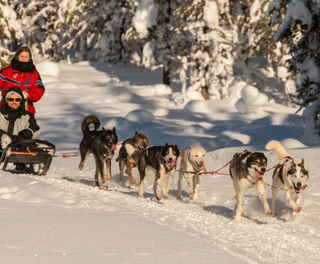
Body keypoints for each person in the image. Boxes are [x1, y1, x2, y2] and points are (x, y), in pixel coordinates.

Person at [0, 87, 40, 172]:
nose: (14, 102)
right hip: (2, 144)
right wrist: (2, 134)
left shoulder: (27, 115)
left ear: (20, 101)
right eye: (11, 99)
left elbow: (35, 128)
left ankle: (22, 163)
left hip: (19, 143)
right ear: (6, 100)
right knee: (4, 138)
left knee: (28, 142)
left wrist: (28, 132)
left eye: (17, 100)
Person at [0, 46, 45, 114]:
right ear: (17, 57)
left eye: (26, 57)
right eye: (22, 56)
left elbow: (39, 91)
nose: (24, 58)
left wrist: (28, 94)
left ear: (29, 58)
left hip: (26, 110)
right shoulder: (7, 71)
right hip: (5, 110)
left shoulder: (34, 74)